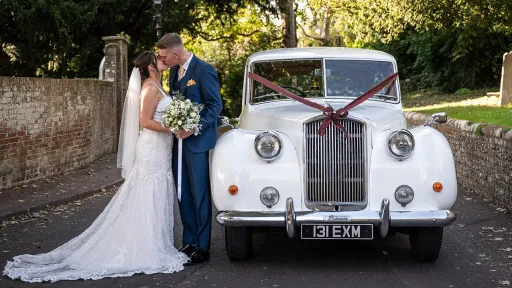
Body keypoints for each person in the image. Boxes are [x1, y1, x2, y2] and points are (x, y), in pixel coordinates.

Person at [2, 51, 188, 283]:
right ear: (151, 66)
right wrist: (172, 128)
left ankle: (152, 242)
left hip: (160, 149)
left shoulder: (158, 86)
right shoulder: (150, 88)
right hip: (152, 148)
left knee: (156, 192)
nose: (163, 60)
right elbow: (145, 121)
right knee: (148, 192)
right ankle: (146, 247)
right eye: (158, 59)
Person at [156, 33, 222, 265]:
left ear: (176, 53)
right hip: (178, 142)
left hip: (197, 142)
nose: (162, 61)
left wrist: (195, 128)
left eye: (165, 57)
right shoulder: (174, 72)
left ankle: (202, 246)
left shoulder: (204, 70)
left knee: (200, 194)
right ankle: (189, 240)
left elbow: (215, 105)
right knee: (183, 193)